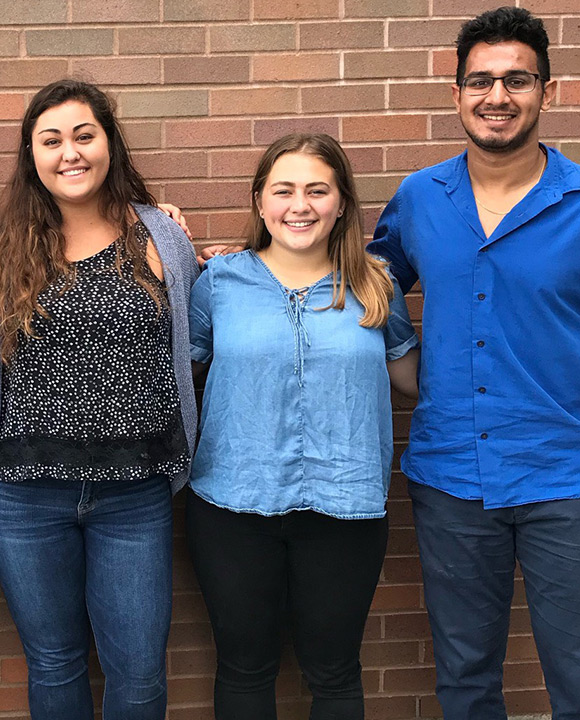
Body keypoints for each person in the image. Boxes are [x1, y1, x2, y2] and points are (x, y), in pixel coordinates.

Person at [367, 7, 580, 719]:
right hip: (451, 477)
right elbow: (367, 273)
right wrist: (245, 261)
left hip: (572, 484)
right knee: (464, 681)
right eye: (481, 81)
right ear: (456, 93)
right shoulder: (422, 198)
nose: (498, 96)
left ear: (550, 92)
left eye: (517, 79)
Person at [0, 78, 199, 720]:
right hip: (20, 494)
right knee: (55, 663)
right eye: (52, 139)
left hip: (135, 493)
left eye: (85, 135)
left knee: (140, 674)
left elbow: (188, 337)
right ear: (31, 155)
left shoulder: (160, 237)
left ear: (110, 145)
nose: (71, 152)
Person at [186, 133, 419, 720]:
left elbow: (414, 380)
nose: (300, 205)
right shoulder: (218, 283)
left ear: (342, 203)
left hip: (345, 506)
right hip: (233, 504)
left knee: (335, 671)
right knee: (243, 666)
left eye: (318, 190)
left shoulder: (375, 283)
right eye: (283, 190)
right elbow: (179, 373)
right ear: (259, 201)